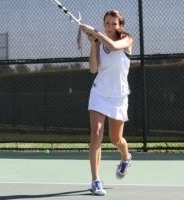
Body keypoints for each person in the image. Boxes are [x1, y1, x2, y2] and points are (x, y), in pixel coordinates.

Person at [79, 10, 133, 196]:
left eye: (114, 24)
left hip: (119, 97)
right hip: (99, 93)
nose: (110, 27)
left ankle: (126, 157)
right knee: (96, 133)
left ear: (120, 26)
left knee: (116, 139)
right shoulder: (100, 42)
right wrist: (94, 44)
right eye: (107, 24)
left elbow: (114, 46)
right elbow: (93, 69)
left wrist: (96, 33)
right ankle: (95, 180)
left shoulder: (126, 40)